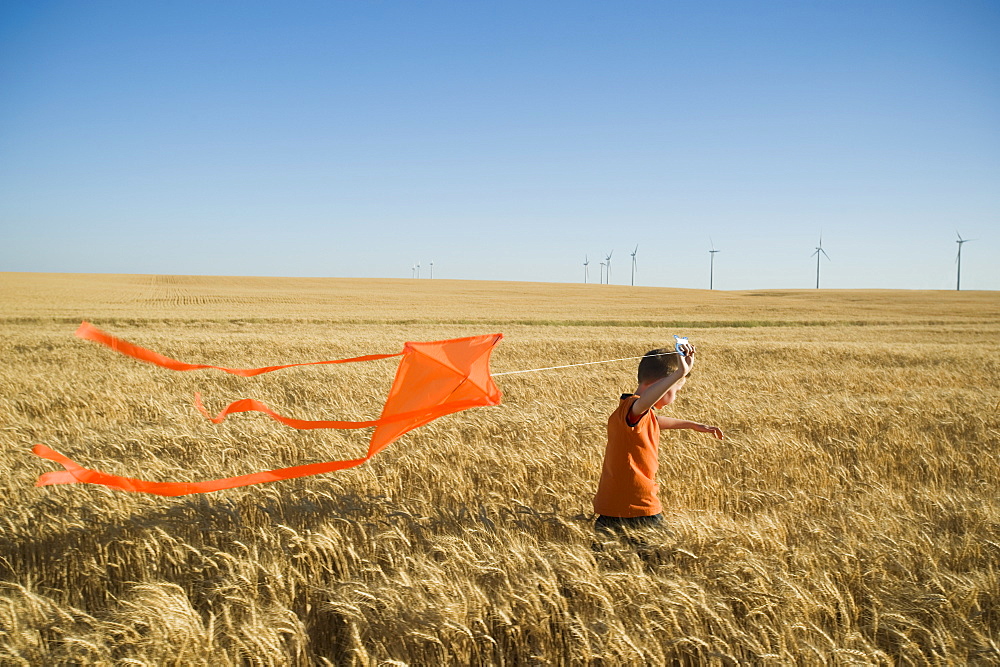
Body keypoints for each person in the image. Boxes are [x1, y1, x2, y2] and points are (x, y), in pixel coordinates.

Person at [592, 342, 723, 538]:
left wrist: (692, 424)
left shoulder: (630, 415)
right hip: (637, 503)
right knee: (664, 558)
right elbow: (643, 407)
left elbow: (655, 421)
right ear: (658, 386)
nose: (676, 396)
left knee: (606, 563)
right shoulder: (632, 408)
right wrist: (678, 374)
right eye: (676, 390)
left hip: (613, 504)